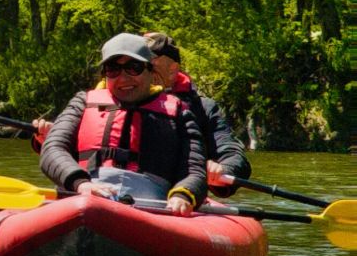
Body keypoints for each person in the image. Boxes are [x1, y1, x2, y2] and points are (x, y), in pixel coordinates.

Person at [38, 33, 206, 212]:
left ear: (151, 71)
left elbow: (194, 168)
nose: (124, 77)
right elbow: (52, 148)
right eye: (113, 69)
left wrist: (183, 194)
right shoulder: (82, 103)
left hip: (152, 208)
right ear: (105, 75)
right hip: (83, 195)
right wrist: (81, 184)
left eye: (134, 67)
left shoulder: (180, 112)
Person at [142, 31, 251, 197]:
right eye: (135, 64)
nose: (140, 72)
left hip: (181, 195)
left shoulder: (203, 109)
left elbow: (233, 154)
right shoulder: (117, 101)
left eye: (150, 65)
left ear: (173, 70)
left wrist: (222, 169)